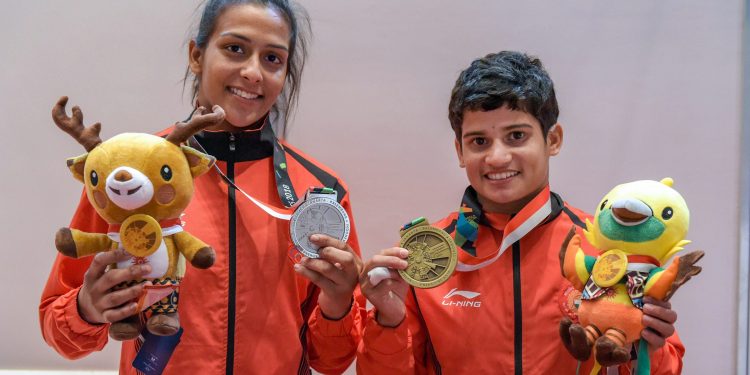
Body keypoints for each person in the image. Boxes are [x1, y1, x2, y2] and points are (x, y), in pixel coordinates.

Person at [39, 1, 364, 374]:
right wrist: (87, 309)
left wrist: (337, 303)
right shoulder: (126, 174)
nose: (254, 72)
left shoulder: (321, 194)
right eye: (235, 48)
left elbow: (332, 360)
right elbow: (58, 330)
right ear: (197, 55)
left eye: (273, 58)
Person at [356, 51, 684, 374]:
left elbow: (666, 370)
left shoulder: (605, 249)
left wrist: (646, 348)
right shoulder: (427, 258)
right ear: (460, 151)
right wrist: (388, 319)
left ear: (552, 139)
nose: (497, 157)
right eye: (479, 141)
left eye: (516, 136)